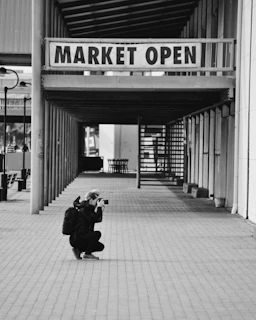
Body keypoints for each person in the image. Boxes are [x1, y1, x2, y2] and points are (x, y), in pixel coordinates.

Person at [69, 189, 105, 260]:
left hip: (79, 237)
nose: (97, 203)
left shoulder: (86, 208)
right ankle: (87, 254)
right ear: (91, 200)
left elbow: (95, 218)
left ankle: (78, 250)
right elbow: (96, 219)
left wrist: (99, 209)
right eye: (96, 201)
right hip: (77, 238)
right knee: (97, 234)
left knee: (100, 246)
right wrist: (99, 208)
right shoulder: (85, 209)